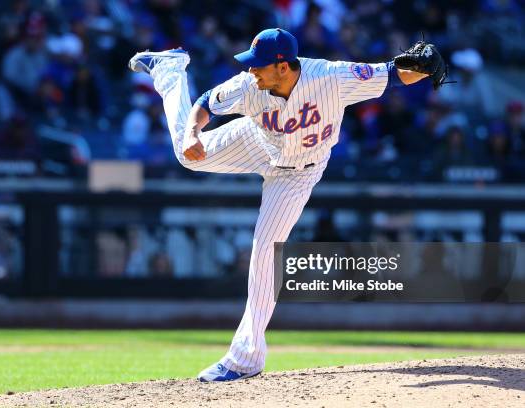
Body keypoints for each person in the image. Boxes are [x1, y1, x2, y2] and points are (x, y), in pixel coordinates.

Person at [129, 28, 435, 382]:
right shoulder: (248, 85)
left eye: (259, 66)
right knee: (189, 156)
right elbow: (206, 104)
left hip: (297, 173)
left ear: (283, 66)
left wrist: (425, 68)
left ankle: (245, 359)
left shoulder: (331, 77)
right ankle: (170, 70)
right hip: (256, 142)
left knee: (264, 252)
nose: (251, 70)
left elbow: (394, 75)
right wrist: (192, 134)